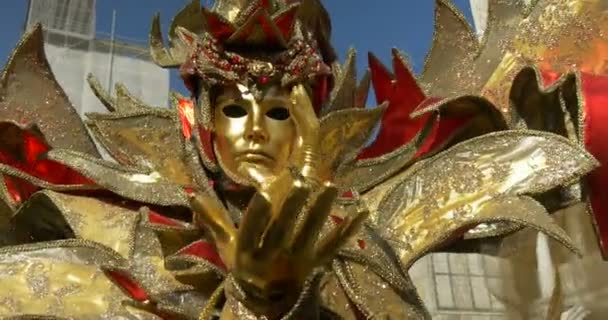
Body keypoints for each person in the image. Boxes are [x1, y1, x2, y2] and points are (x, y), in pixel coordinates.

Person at [0, 0, 602, 319]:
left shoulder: (368, 224)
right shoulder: (134, 226)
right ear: (203, 122)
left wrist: (287, 296)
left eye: (280, 111)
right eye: (234, 109)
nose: (255, 129)